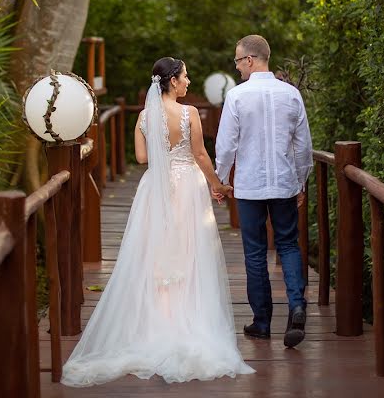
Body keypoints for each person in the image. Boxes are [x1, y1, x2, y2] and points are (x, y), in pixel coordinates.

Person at [61, 57, 255, 387]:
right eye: (185, 76)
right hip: (188, 188)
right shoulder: (189, 114)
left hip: (156, 188)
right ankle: (187, 317)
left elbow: (141, 158)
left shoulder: (143, 116)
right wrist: (217, 184)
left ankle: (157, 321)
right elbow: (200, 155)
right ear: (173, 81)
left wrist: (164, 155)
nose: (189, 81)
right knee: (189, 250)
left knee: (156, 251)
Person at [214, 35, 313, 348]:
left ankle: (262, 322)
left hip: (250, 187)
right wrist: (301, 181)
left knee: (255, 253)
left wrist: (219, 179)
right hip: (284, 183)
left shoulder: (238, 97)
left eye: (238, 62)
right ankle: (297, 305)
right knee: (288, 245)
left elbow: (226, 144)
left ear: (250, 60)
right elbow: (303, 146)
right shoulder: (291, 95)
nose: (238, 68)